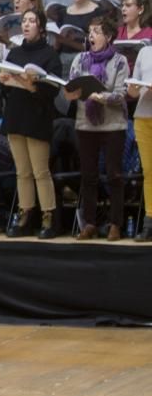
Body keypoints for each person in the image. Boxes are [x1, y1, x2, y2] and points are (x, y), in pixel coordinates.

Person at [64, 16, 130, 240]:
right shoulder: (80, 59)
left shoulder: (119, 61)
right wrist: (71, 94)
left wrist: (100, 97)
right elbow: (72, 84)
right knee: (88, 175)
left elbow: (121, 94)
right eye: (90, 31)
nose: (91, 36)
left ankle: (115, 223)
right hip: (86, 124)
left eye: (97, 32)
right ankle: (90, 223)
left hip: (113, 125)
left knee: (114, 175)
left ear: (109, 36)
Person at [0, 9, 62, 239]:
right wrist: (6, 81)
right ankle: (25, 214)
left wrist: (30, 85)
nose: (26, 25)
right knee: (22, 172)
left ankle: (49, 217)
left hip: (37, 117)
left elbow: (52, 91)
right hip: (16, 116)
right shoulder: (14, 53)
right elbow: (4, 89)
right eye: (24, 21)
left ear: (41, 27)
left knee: (40, 171)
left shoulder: (50, 55)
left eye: (32, 21)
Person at [129, 46, 152, 240]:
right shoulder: (145, 52)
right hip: (143, 116)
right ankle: (149, 220)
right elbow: (133, 92)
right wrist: (133, 88)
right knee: (149, 172)